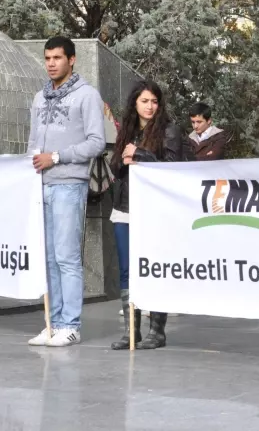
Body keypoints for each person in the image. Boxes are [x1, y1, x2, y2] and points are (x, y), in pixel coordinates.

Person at [26, 37, 106, 347]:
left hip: (69, 184)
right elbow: (33, 142)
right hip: (41, 186)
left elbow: (96, 142)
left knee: (67, 257)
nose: (51, 63)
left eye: (57, 57)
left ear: (72, 60)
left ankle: (71, 324)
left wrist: (57, 157)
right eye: (47, 57)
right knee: (48, 258)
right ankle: (53, 322)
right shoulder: (38, 98)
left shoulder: (87, 96)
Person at [110, 80, 186, 350]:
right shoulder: (128, 130)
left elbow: (173, 167)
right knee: (127, 271)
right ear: (135, 104)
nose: (150, 106)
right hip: (125, 208)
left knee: (154, 267)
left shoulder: (169, 131)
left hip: (155, 211)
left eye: (154, 101)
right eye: (145, 101)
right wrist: (124, 159)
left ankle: (157, 331)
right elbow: (115, 167)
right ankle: (132, 331)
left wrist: (140, 154)